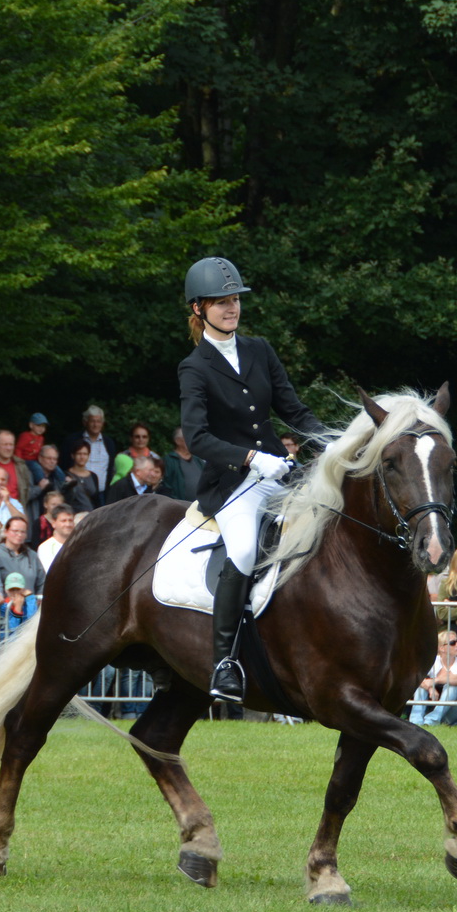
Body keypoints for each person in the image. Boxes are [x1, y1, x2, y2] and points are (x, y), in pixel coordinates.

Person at [177, 256, 326, 703]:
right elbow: (196, 437)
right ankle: (224, 661)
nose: (232, 308)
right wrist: (250, 458)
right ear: (200, 308)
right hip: (232, 483)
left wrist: (333, 442)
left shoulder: (259, 350)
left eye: (236, 299)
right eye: (221, 302)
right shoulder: (195, 366)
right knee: (242, 549)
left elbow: (293, 411)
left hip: (279, 472)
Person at [409, 631, 457, 726]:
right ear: (442, 648)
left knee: (452, 686)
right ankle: (415, 721)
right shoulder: (434, 661)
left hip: (454, 708)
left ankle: (432, 720)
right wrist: (430, 688)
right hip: (435, 702)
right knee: (421, 686)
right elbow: (416, 676)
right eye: (452, 643)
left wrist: (434, 681)